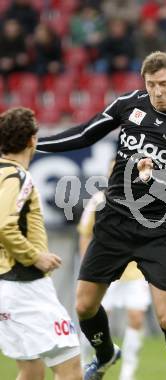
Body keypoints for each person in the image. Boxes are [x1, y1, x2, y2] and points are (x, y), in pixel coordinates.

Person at [36, 51, 166, 380]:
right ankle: (105, 355)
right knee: (85, 306)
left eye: (164, 84)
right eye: (151, 85)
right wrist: (36, 144)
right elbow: (86, 133)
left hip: (158, 229)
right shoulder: (130, 104)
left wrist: (159, 172)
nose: (157, 92)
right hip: (114, 221)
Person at [0, 107, 82, 380]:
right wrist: (35, 256)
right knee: (71, 367)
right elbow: (3, 225)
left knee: (31, 370)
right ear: (32, 140)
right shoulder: (17, 176)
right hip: (25, 285)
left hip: (7, 287)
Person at [78, 189, 151, 380]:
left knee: (136, 318)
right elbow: (85, 233)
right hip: (105, 270)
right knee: (94, 317)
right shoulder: (99, 200)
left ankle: (127, 372)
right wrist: (88, 265)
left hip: (135, 271)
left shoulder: (145, 197)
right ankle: (82, 361)